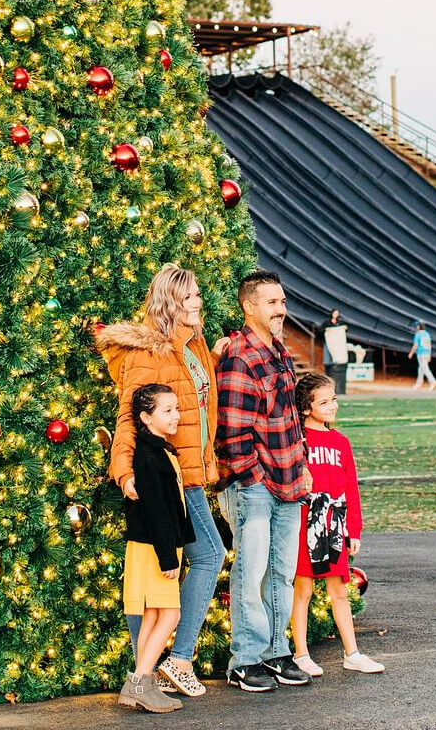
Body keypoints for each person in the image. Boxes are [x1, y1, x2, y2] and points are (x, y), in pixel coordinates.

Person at [97, 264, 229, 698]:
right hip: (165, 476)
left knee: (161, 574)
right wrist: (124, 471)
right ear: (171, 302)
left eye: (197, 295)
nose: (198, 303)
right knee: (204, 557)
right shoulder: (148, 352)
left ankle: (147, 672)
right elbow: (128, 416)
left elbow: (199, 402)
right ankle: (174, 659)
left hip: (190, 471)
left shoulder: (194, 345)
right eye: (189, 297)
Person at [216, 270, 314, 692]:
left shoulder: (280, 352)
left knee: (282, 573)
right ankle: (245, 659)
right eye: (272, 303)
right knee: (251, 571)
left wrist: (303, 465)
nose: (281, 309)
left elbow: (291, 418)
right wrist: (254, 479)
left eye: (283, 301)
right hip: (256, 485)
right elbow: (233, 431)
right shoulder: (240, 355)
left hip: (290, 481)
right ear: (249, 307)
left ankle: (276, 652)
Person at [291, 372, 385, 676]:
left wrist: (353, 529)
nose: (333, 405)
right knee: (303, 590)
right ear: (306, 407)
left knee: (339, 590)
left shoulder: (340, 442)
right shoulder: (297, 440)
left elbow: (351, 487)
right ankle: (301, 654)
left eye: (334, 399)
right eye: (325, 401)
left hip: (334, 521)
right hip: (306, 520)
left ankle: (352, 652)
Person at [117, 385, 193, 714]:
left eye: (176, 409)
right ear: (146, 418)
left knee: (152, 614)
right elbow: (157, 510)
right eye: (167, 410)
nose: (176, 415)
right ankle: (139, 681)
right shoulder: (148, 456)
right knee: (171, 614)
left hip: (157, 546)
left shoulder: (161, 450)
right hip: (155, 547)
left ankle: (140, 684)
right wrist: (167, 556)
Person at [319, 309, 349, 395]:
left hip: (338, 346)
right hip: (329, 344)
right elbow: (321, 330)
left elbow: (345, 330)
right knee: (328, 359)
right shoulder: (327, 322)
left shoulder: (340, 322)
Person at [408, 320, 436, 390]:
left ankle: (433, 381)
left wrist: (411, 353)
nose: (416, 327)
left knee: (424, 368)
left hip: (421, 353)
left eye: (417, 326)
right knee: (421, 368)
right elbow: (429, 345)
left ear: (419, 326)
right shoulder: (427, 334)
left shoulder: (418, 334)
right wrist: (429, 355)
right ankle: (419, 384)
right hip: (426, 353)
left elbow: (415, 345)